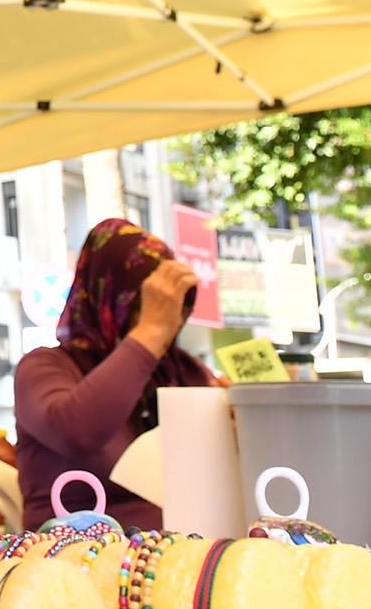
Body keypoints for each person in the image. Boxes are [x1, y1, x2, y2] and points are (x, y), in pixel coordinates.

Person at [12, 217, 217, 531]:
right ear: (106, 297)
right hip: (72, 560)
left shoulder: (179, 372)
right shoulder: (43, 368)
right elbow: (79, 430)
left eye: (172, 307)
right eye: (149, 304)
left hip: (180, 557)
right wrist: (150, 332)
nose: (169, 320)